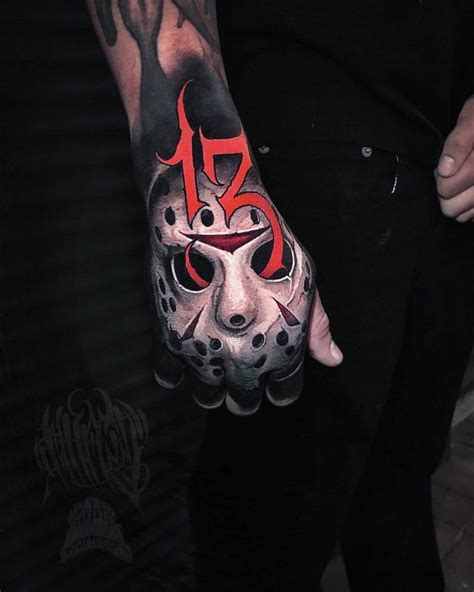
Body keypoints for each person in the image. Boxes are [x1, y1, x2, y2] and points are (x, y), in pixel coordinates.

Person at [87, 1, 474, 590]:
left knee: (397, 488)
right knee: (268, 534)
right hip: (301, 158)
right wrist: (205, 203)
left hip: (444, 179)